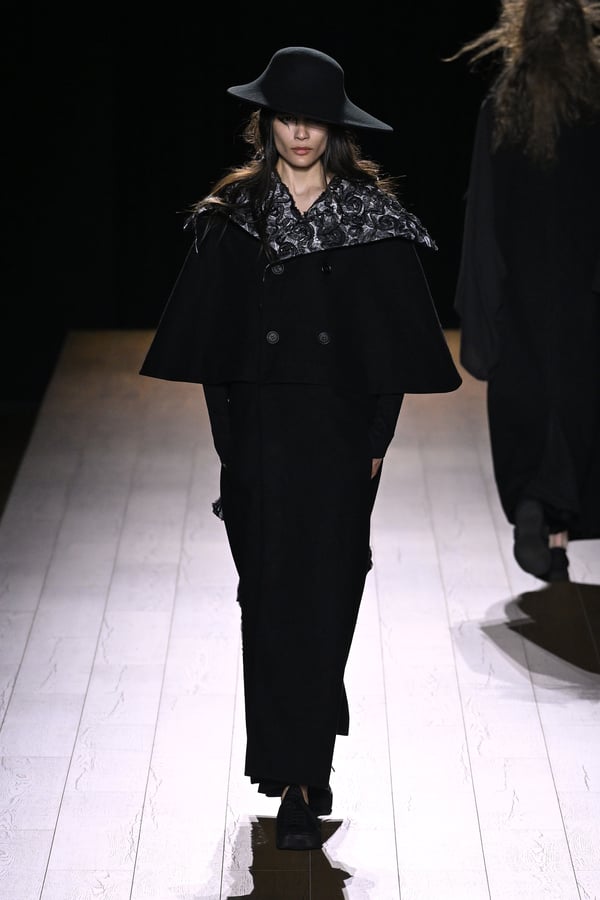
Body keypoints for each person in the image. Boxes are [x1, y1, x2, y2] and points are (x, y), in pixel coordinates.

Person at [140, 46, 461, 851]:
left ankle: (301, 771)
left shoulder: (371, 220)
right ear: (267, 124)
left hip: (340, 434)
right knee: (268, 601)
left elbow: (391, 350)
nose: (301, 132)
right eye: (287, 117)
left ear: (336, 127)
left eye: (314, 119)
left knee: (326, 596)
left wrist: (376, 443)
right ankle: (295, 761)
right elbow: (213, 349)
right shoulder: (235, 216)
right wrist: (230, 444)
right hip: (259, 433)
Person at [449, 0, 600, 582]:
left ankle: (539, 513)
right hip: (587, 294)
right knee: (579, 406)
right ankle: (553, 524)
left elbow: (483, 210)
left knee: (533, 404)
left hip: (522, 294)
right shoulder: (594, 104)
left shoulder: (503, 105)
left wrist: (485, 302)